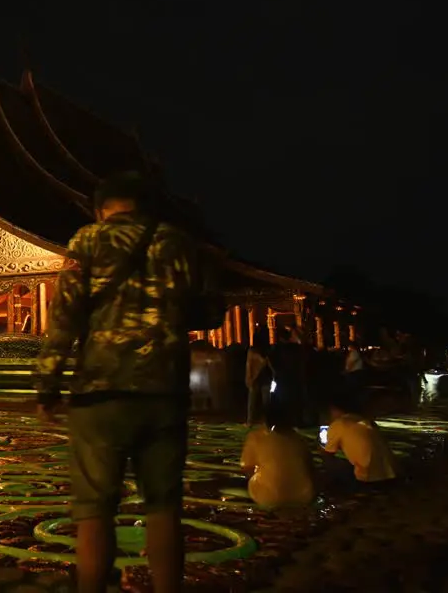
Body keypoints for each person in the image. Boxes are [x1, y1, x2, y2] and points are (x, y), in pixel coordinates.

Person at [36, 171, 199, 593]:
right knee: (164, 508)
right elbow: (209, 310)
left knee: (93, 510)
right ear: (143, 205)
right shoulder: (175, 242)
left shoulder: (87, 241)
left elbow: (64, 317)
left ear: (100, 208)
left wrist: (47, 385)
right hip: (164, 390)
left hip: (99, 392)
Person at [239, 402, 315, 507]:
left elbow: (246, 468)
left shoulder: (256, 437)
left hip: (270, 498)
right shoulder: (299, 438)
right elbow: (310, 467)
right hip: (303, 495)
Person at [321, 397, 398, 487]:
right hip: (392, 473)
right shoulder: (365, 420)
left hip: (368, 478)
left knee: (330, 461)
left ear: (336, 410)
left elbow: (328, 454)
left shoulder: (339, 423)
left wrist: (321, 444)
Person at [245, 343, 273, 427]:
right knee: (264, 401)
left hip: (259, 379)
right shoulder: (268, 351)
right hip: (262, 379)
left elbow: (249, 366)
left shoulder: (253, 352)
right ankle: (266, 422)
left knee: (254, 402)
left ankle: (251, 421)